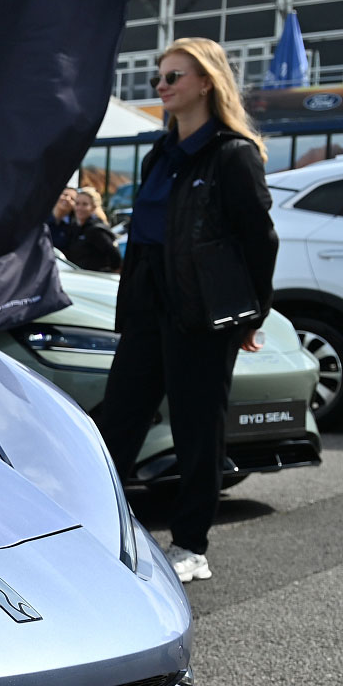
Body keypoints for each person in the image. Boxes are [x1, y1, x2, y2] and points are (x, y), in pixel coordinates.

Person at [93, 36, 276, 584]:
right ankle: (93, 527)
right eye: (159, 77)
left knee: (198, 429)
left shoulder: (231, 155)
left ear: (206, 83)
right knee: (118, 419)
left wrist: (250, 316)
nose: (162, 86)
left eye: (174, 76)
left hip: (201, 310)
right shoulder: (160, 152)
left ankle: (191, 544)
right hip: (149, 299)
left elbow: (258, 241)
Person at [57, 186, 122, 273]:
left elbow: (115, 258)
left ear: (93, 207)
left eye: (85, 204)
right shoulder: (74, 228)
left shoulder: (96, 230)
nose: (79, 208)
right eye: (77, 204)